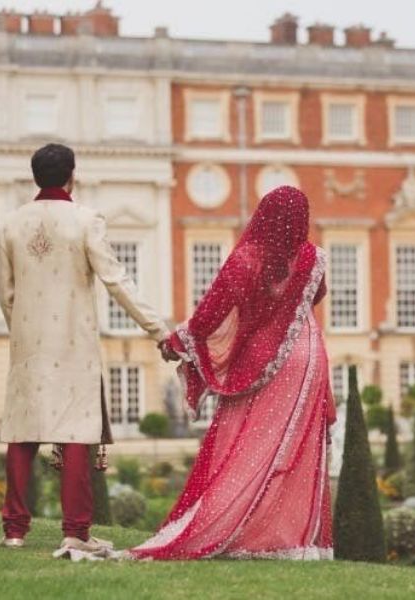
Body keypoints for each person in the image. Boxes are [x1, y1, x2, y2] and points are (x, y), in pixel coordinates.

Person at [131, 186, 337, 560]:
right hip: (308, 357)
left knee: (241, 446)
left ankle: (235, 529)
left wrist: (177, 342)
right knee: (296, 451)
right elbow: (315, 296)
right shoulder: (314, 258)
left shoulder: (246, 260)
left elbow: (211, 312)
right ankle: (293, 541)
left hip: (261, 359)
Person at [0, 143, 169, 553]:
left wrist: (22, 332)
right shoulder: (85, 220)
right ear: (73, 175)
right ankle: (76, 532)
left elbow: (6, 294)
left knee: (21, 435)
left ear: (34, 177)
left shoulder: (11, 224)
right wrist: (158, 329)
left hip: (27, 345)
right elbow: (116, 281)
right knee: (76, 436)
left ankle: (14, 532)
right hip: (74, 344)